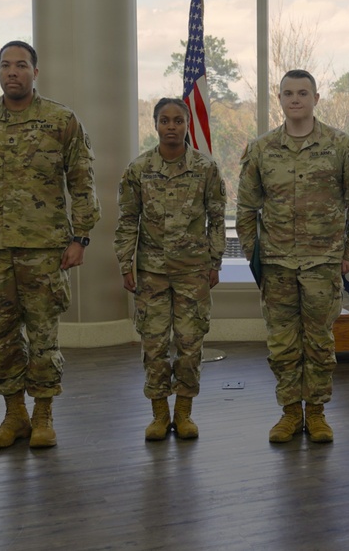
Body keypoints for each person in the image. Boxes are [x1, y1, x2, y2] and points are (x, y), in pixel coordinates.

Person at [0, 40, 100, 449]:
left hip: (45, 250)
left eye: (21, 65)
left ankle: (44, 414)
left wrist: (80, 237)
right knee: (1, 335)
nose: (12, 72)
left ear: (36, 72)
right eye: (5, 65)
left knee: (43, 336)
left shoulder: (60, 120)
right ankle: (13, 414)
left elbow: (83, 182)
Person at [236, 69, 349, 444]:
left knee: (320, 342)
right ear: (279, 99)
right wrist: (254, 258)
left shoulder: (342, 147)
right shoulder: (262, 150)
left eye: (302, 93)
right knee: (282, 344)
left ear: (316, 98)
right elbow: (246, 209)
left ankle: (317, 413)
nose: (295, 99)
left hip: (322, 263)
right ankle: (290, 413)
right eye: (288, 93)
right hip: (276, 264)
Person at [114, 98, 226, 441]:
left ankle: (184, 412)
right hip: (152, 273)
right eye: (165, 120)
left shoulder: (205, 168)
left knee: (191, 345)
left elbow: (217, 219)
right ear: (156, 124)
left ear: (188, 123)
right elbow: (127, 220)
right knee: (154, 345)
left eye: (179, 120)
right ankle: (160, 415)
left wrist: (215, 261)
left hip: (193, 272)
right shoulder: (139, 169)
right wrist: (125, 263)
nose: (172, 126)